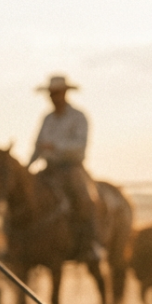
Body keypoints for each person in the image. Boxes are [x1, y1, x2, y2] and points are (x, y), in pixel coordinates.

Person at [28, 75, 103, 261]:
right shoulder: (47, 119)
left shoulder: (78, 117)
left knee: (85, 198)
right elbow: (38, 146)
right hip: (49, 168)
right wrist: (27, 167)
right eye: (52, 94)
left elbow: (80, 145)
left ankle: (92, 243)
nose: (54, 97)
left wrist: (55, 146)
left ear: (65, 93)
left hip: (72, 168)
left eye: (57, 93)